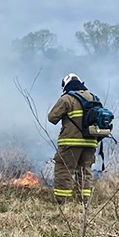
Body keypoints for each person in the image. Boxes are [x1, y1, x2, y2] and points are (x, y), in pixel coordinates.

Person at [47, 73, 98, 203]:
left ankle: (62, 200)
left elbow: (52, 118)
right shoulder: (93, 97)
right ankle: (84, 200)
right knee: (85, 170)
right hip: (91, 142)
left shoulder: (67, 98)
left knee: (64, 169)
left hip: (70, 142)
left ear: (66, 84)